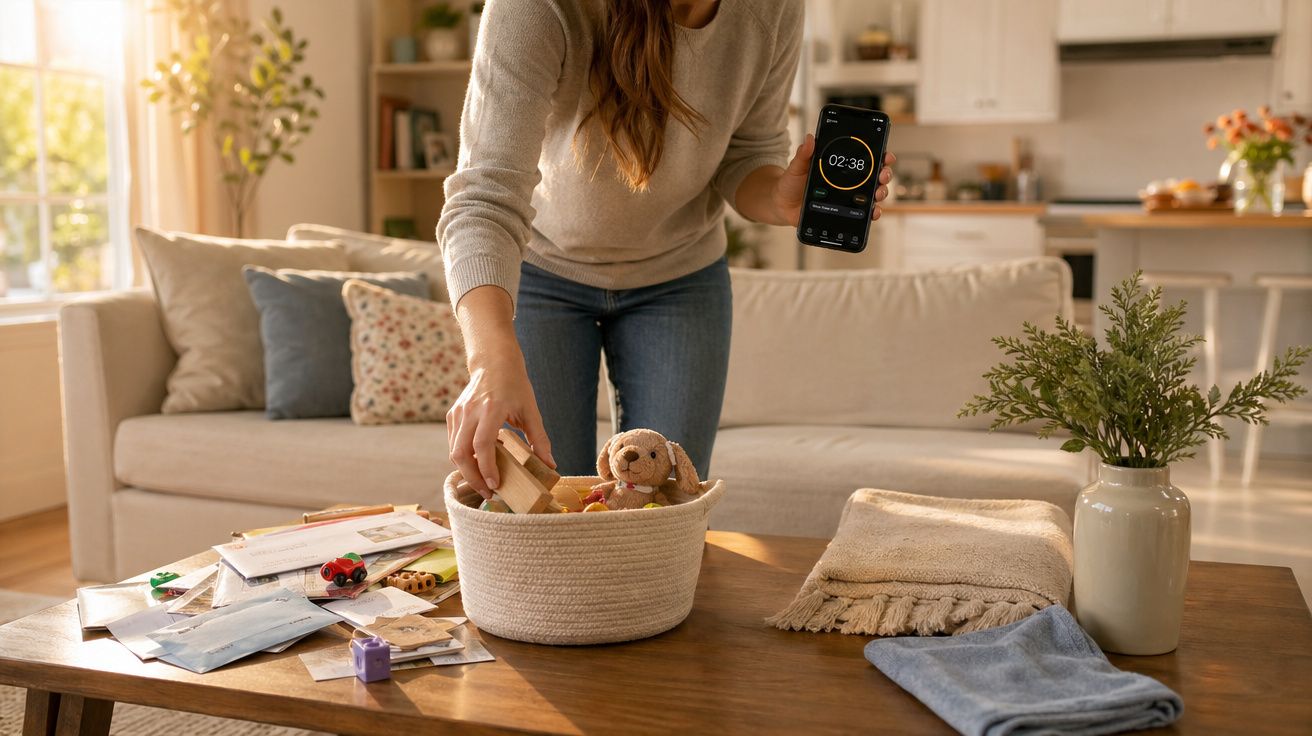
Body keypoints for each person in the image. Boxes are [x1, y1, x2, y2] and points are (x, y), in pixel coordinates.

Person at [438, 0, 894, 496]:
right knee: (544, 503)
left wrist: (778, 198)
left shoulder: (774, 8)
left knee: (668, 503)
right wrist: (489, 362)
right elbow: (483, 198)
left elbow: (747, 152)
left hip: (681, 279)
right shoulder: (540, 8)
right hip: (542, 270)